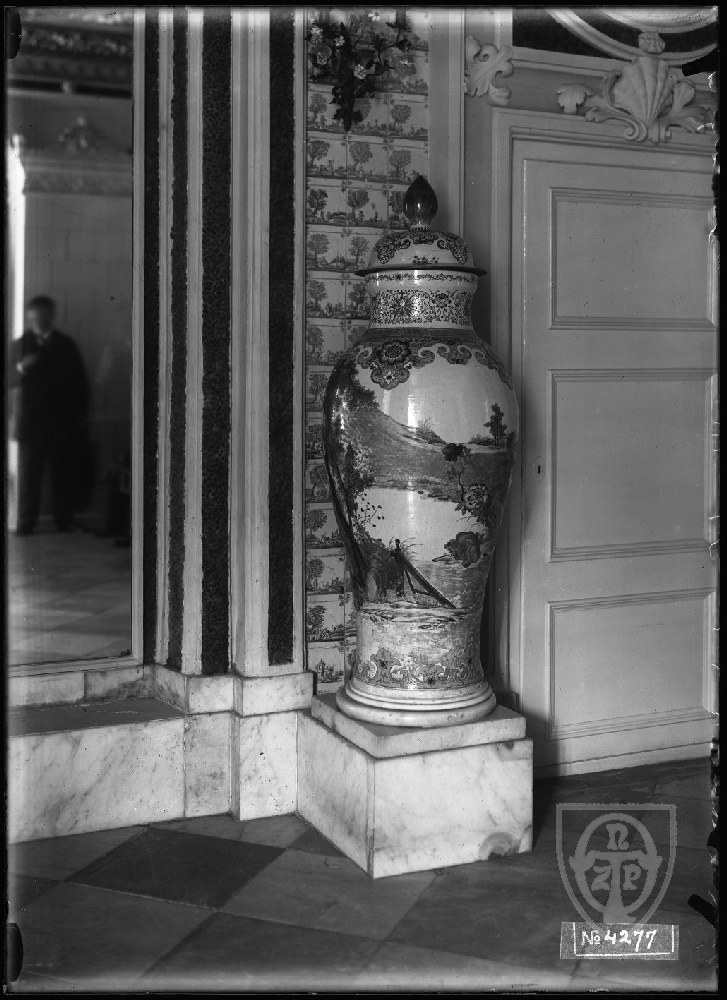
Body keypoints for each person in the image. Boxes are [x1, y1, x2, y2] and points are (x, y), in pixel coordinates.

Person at [10, 296, 90, 535]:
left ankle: (63, 520)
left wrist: (80, 415)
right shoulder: (19, 345)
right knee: (29, 477)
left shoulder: (66, 344)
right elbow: (9, 380)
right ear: (29, 317)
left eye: (43, 317)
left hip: (61, 423)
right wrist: (22, 367)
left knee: (62, 473)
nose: (38, 321)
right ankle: (26, 522)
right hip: (30, 424)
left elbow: (80, 382)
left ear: (51, 316)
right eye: (34, 317)